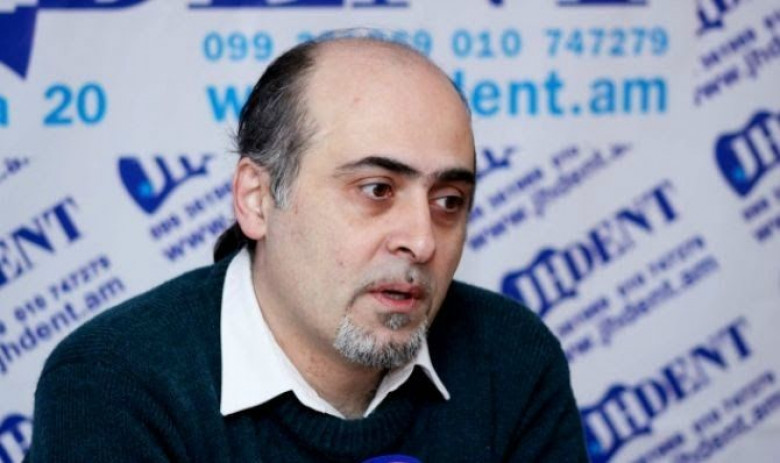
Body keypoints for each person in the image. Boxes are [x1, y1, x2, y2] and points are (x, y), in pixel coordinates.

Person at [26, 35, 589, 462]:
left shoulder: (512, 357)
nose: (421, 241)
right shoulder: (114, 382)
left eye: (448, 200)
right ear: (256, 199)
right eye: (377, 190)